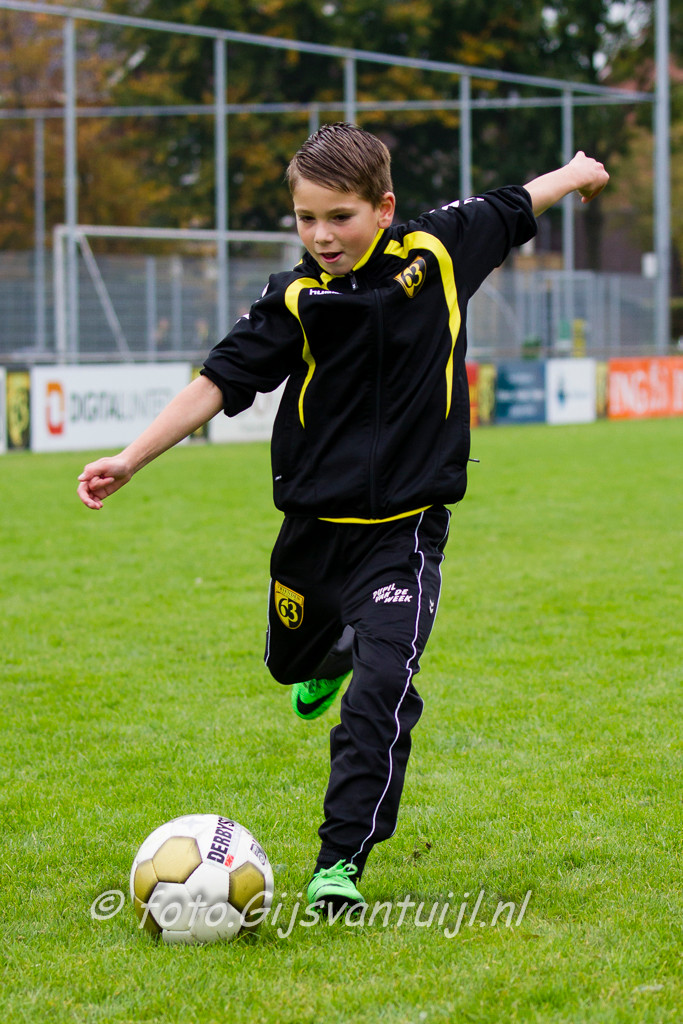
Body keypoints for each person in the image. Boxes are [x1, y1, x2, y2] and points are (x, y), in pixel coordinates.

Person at [77, 123, 608, 913]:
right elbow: (217, 381)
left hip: (404, 531)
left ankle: (339, 865)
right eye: (306, 218)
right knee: (289, 667)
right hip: (313, 535)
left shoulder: (437, 253)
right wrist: (131, 457)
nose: (322, 235)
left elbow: (515, 201)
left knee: (383, 691)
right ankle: (329, 653)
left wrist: (575, 170)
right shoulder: (295, 301)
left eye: (340, 217)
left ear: (382, 209)